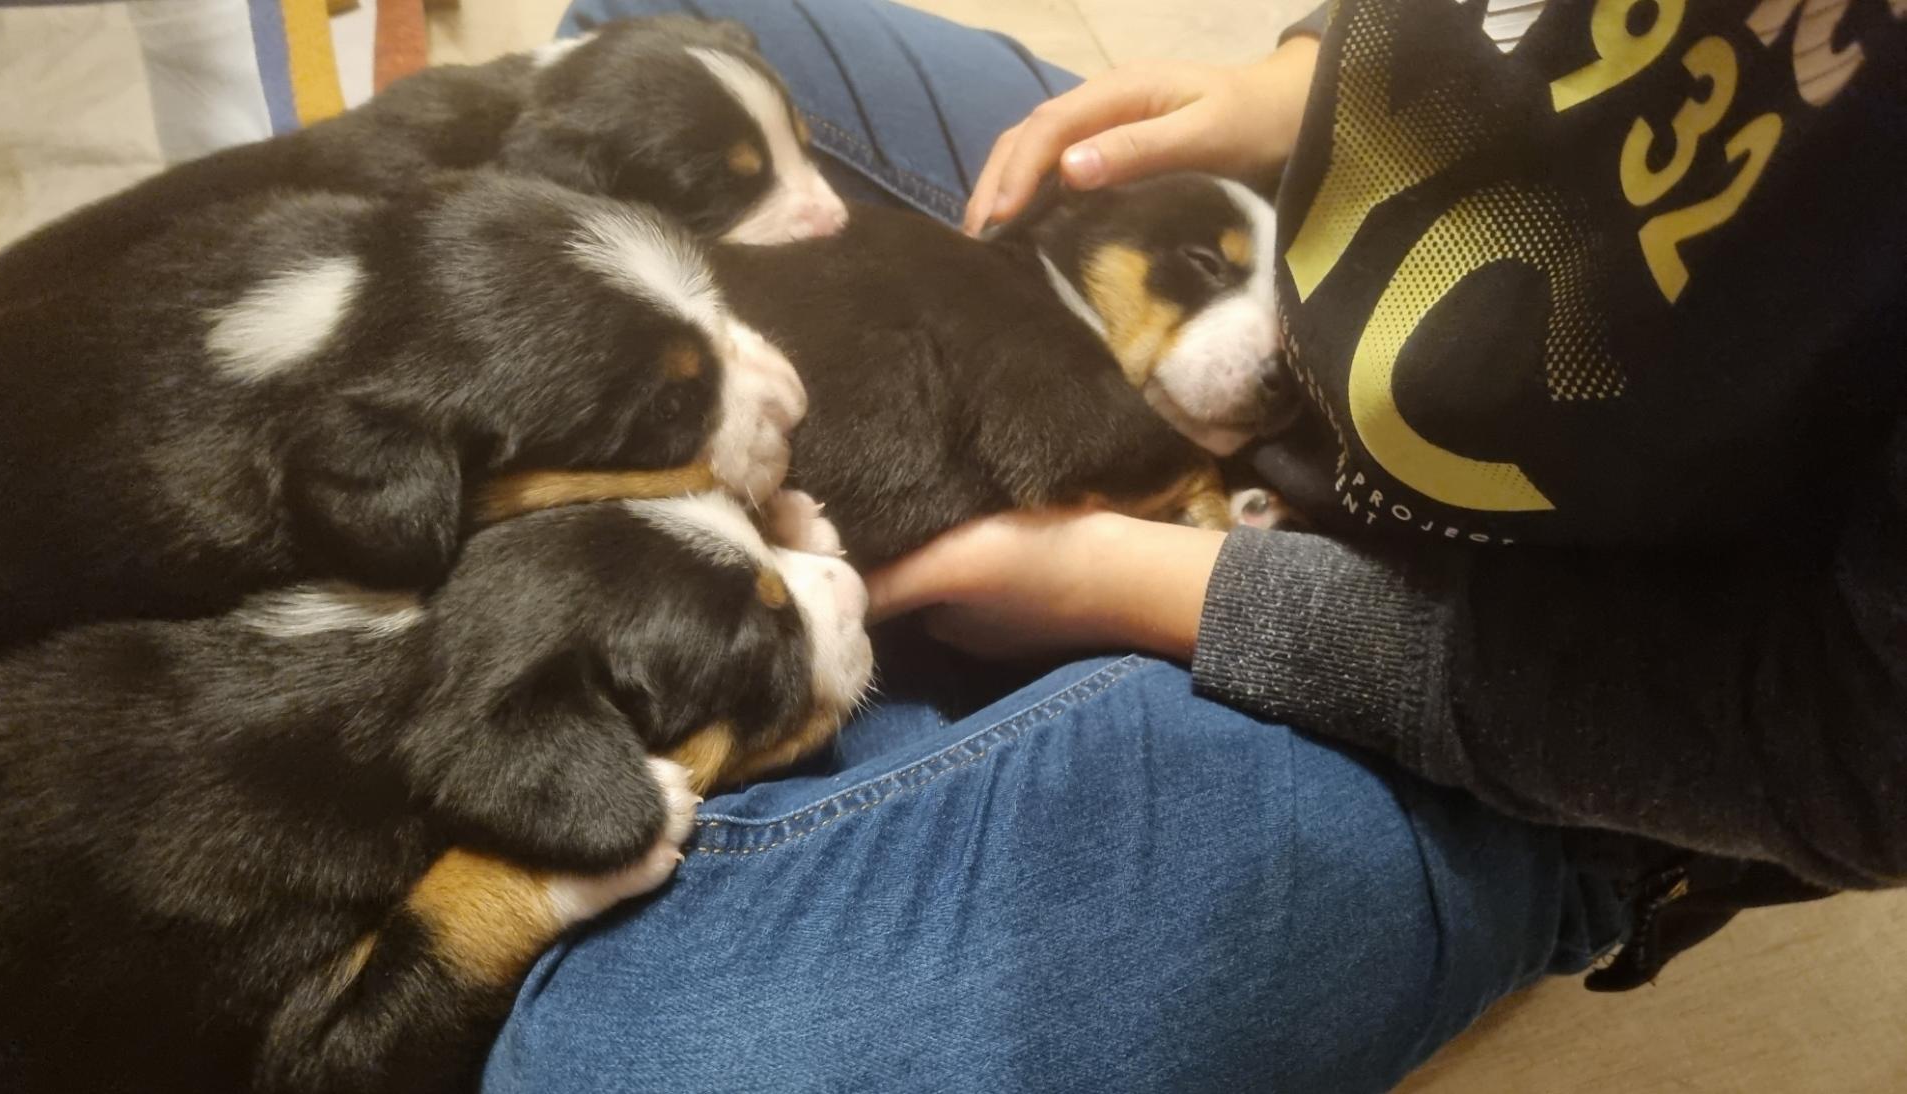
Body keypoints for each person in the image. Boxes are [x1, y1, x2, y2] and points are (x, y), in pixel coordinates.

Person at [481, 1, 1907, 1091]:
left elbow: (1849, 747)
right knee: (645, 59)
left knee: (617, 1057)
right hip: (1320, 228)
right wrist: (1305, 82)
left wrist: (1132, 585)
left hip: (1535, 701)